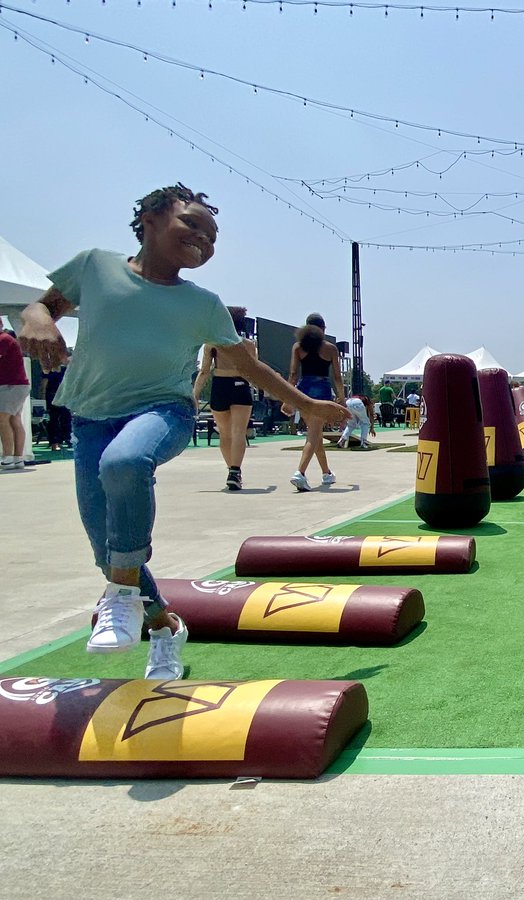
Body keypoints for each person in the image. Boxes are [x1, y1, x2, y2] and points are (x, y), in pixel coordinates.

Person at [16, 182, 348, 680]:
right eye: (192, 223)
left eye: (212, 237)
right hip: (89, 420)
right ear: (149, 217)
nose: (203, 239)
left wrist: (306, 405)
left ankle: (122, 598)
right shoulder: (95, 267)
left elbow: (249, 367)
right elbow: (43, 306)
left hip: (163, 411)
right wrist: (37, 318)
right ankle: (164, 626)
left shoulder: (203, 304)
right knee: (109, 554)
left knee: (126, 463)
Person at [193, 306, 256, 490]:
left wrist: (195, 395)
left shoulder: (212, 344)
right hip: (240, 386)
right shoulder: (248, 345)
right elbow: (254, 371)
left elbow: (204, 371)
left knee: (224, 433)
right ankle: (235, 471)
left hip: (220, 385)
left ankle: (231, 470)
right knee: (238, 432)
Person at [287, 313, 344, 492]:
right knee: (314, 432)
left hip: (304, 389)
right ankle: (300, 473)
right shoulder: (330, 348)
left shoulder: (298, 347)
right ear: (323, 329)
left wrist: (288, 398)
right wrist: (341, 397)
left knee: (315, 433)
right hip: (322, 389)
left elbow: (293, 374)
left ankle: (326, 473)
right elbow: (337, 376)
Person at [0, 328, 31, 468]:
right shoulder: (7, 339)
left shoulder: (3, 339)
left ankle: (7, 458)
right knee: (14, 420)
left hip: (11, 386)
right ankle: (18, 459)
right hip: (18, 385)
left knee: (2, 419)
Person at [43, 351, 72, 452]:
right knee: (54, 419)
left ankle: (67, 439)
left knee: (66, 418)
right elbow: (44, 383)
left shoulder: (67, 370)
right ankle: (55, 442)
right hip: (53, 396)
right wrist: (42, 398)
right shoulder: (50, 370)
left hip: (64, 396)